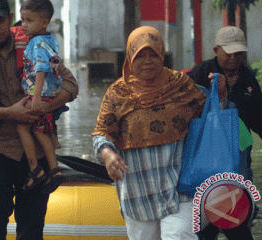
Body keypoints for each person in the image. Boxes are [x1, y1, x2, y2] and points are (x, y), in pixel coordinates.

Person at [0, 0, 78, 239]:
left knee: (32, 223)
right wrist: (10, 112)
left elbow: (71, 85)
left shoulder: (36, 45)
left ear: (10, 18)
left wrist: (44, 106)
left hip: (39, 146)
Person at [91, 26, 227, 240]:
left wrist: (219, 96)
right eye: (140, 55)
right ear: (130, 57)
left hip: (181, 187)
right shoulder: (117, 93)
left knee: (178, 235)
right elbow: (101, 133)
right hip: (138, 192)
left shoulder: (181, 85)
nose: (147, 61)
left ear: (162, 54)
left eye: (153, 54)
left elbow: (211, 119)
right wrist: (108, 154)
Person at [189, 26, 261, 240]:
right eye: (228, 52)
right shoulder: (200, 73)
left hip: (238, 159)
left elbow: (258, 118)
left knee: (238, 224)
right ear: (216, 50)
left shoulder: (249, 80)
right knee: (204, 229)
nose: (233, 58)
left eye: (238, 53)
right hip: (206, 161)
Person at [17, 0, 65, 193]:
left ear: (44, 22)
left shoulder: (37, 43)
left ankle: (35, 169)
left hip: (40, 94)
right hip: (49, 94)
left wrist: (35, 96)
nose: (24, 25)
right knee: (41, 131)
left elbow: (41, 68)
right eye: (23, 20)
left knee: (22, 127)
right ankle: (54, 170)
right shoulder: (50, 39)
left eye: (29, 20)